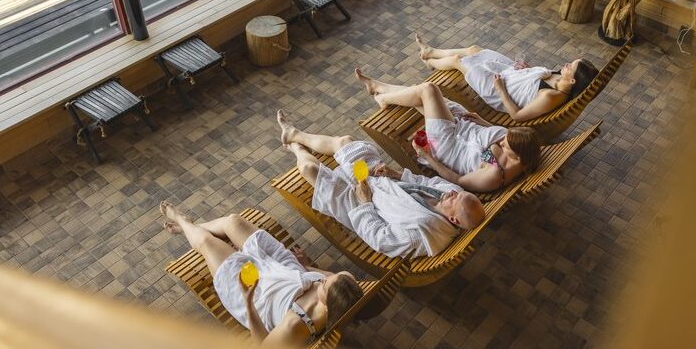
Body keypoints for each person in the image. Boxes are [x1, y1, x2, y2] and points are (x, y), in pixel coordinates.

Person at [277, 110, 485, 258]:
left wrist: (365, 202)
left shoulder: (421, 234)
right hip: (382, 180)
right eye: (459, 193)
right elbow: (423, 181)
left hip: (361, 205)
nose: (453, 192)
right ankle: (294, 134)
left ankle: (296, 148)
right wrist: (396, 174)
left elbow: (378, 238)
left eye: (455, 198)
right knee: (345, 141)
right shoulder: (451, 193)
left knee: (309, 170)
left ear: (452, 219)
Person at [160, 201, 363, 347]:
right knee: (233, 221)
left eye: (325, 284)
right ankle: (191, 228)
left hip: (256, 292)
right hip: (285, 268)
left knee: (207, 242)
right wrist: (306, 266)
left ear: (327, 304)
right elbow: (326, 276)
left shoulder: (297, 325)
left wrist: (248, 302)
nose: (325, 279)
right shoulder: (344, 286)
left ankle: (183, 222)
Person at [355, 70, 541, 192]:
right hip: (465, 127)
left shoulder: (493, 176)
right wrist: (483, 122)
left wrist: (428, 158)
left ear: (516, 156)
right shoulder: (522, 147)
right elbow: (507, 137)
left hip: (447, 145)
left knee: (428, 90)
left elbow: (458, 180)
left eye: (504, 145)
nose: (501, 141)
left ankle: (384, 96)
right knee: (420, 94)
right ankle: (379, 90)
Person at [414, 34, 599, 122]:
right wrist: (527, 69)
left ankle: (432, 63)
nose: (566, 64)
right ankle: (432, 52)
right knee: (474, 49)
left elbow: (517, 116)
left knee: (458, 61)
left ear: (573, 81)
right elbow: (532, 83)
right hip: (512, 74)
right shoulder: (559, 77)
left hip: (497, 90)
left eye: (570, 67)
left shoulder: (552, 96)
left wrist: (501, 89)